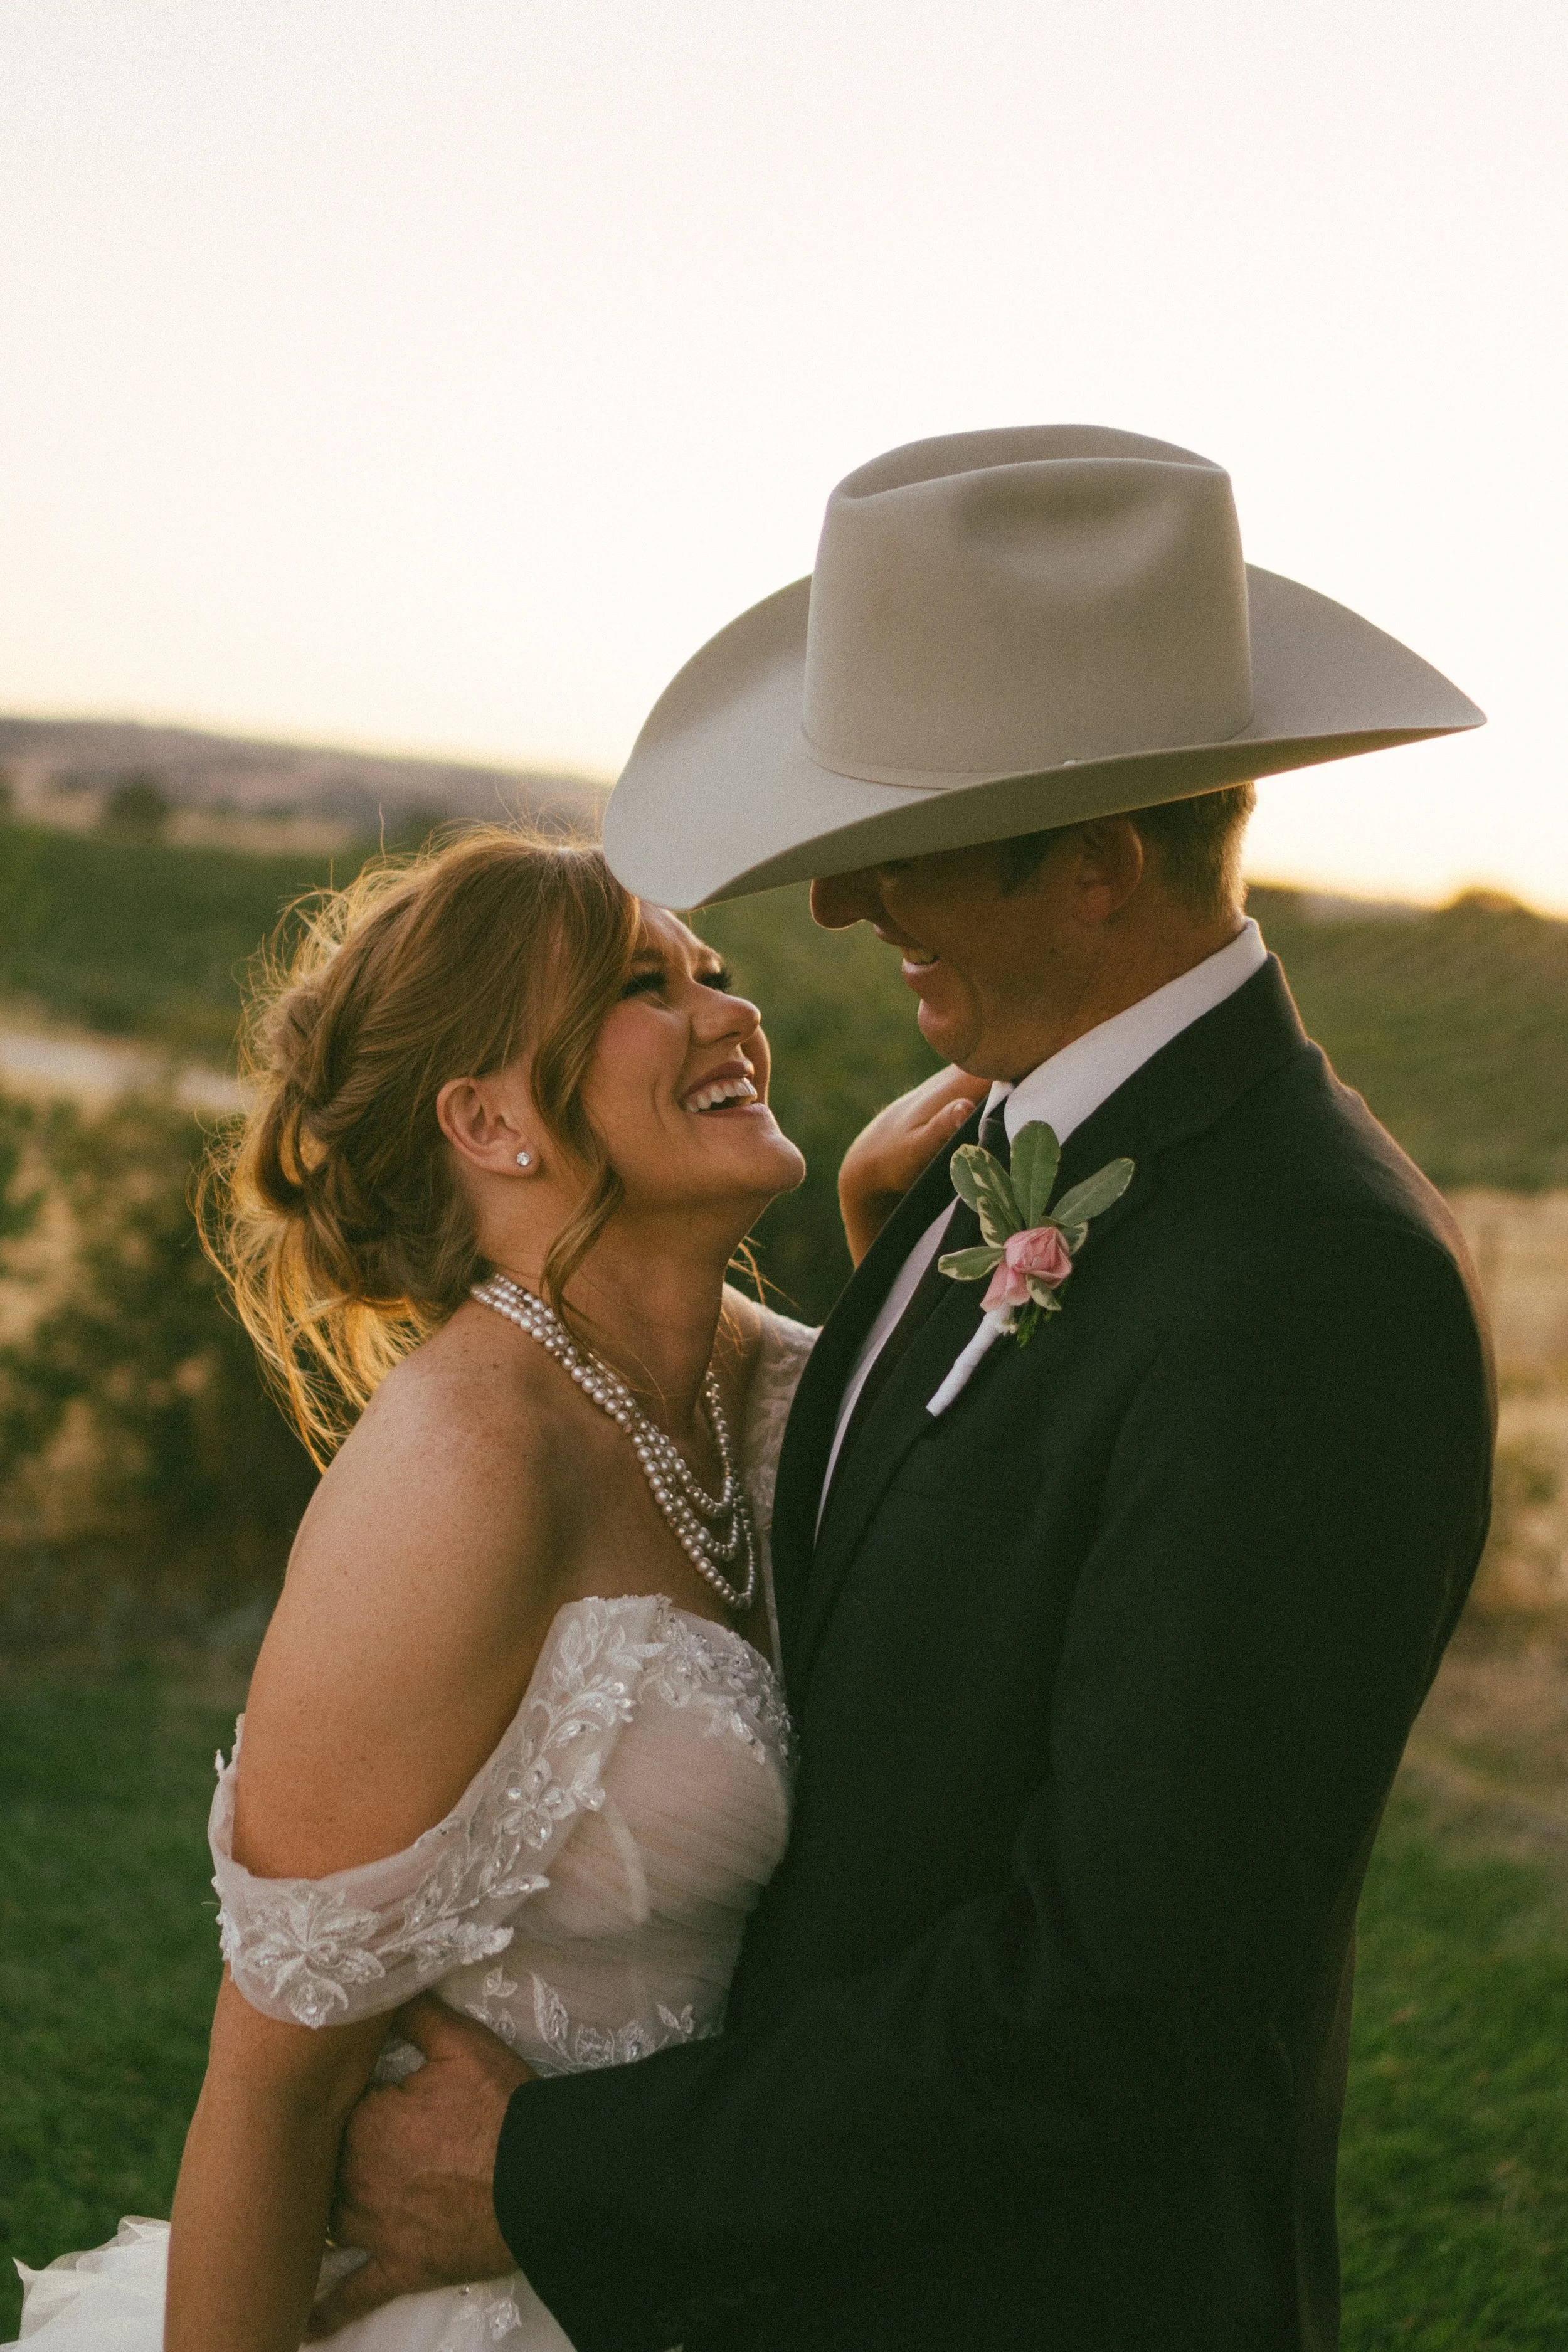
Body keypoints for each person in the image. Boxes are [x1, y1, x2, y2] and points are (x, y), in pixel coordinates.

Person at [311, 428, 1496, 2351]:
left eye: (900, 842)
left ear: (1100, 864)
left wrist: (540, 2172)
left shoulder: (1316, 1283)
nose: (849, 906)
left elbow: (1115, 1988)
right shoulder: (979, 1174)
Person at [12, 827, 951, 2352]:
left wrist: (893, 1258)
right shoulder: (458, 1476)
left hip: (695, 2249)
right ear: (493, 1119)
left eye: (712, 968)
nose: (730, 1011)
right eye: (646, 987)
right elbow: (269, 2092)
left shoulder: (768, 1387)